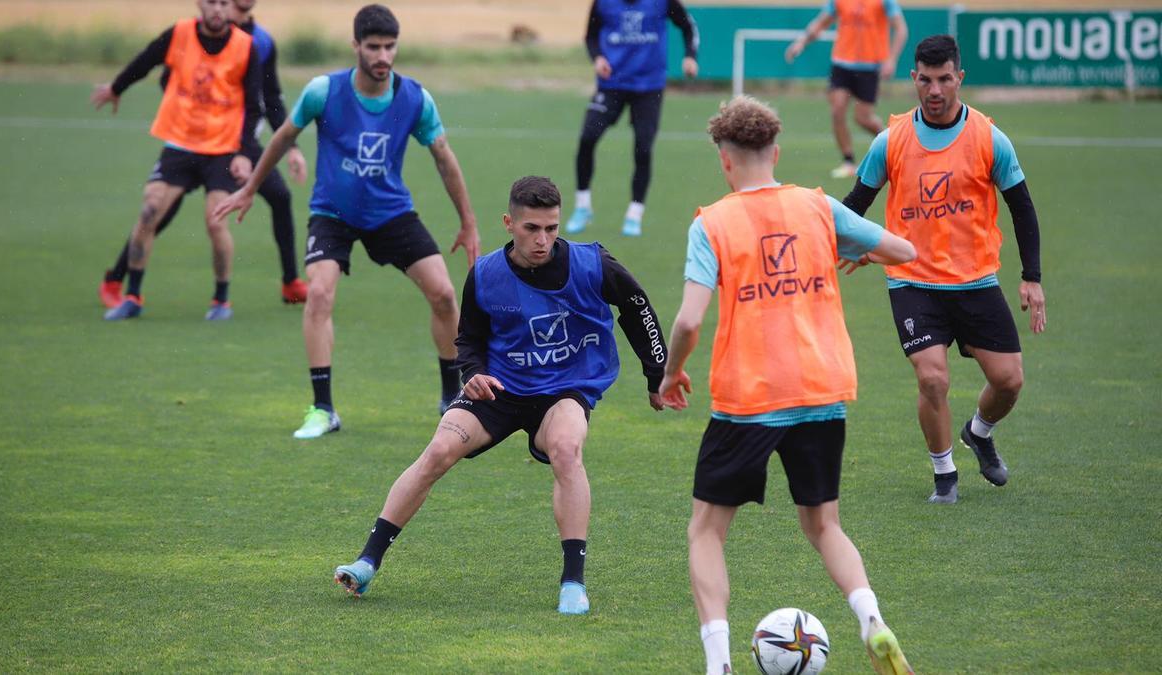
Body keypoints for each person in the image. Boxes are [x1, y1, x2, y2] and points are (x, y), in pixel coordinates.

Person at [659, 96, 916, 675]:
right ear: (775, 152)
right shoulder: (818, 206)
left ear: (724, 161)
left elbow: (689, 321)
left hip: (750, 398)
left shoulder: (712, 223)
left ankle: (719, 663)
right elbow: (903, 250)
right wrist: (856, 252)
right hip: (822, 388)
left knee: (707, 530)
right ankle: (872, 620)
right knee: (824, 523)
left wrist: (672, 372)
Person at [332, 176, 669, 616]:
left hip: (565, 390)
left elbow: (637, 306)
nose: (543, 240)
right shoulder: (487, 274)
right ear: (509, 223)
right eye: (531, 228)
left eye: (551, 228)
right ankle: (367, 561)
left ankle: (572, 583)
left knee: (567, 449)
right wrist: (471, 373)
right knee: (438, 450)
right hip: (503, 389)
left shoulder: (593, 264)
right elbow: (468, 338)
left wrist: (656, 373)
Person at [215, 4, 480, 437]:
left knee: (446, 295)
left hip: (391, 212)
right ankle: (323, 410)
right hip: (332, 214)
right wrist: (249, 188)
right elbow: (284, 137)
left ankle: (451, 398)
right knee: (318, 295)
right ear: (355, 45)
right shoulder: (325, 90)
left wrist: (467, 222)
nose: (382, 56)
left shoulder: (414, 98)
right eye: (373, 47)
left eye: (390, 47)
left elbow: (444, 160)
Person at [841, 34, 1046, 505]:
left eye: (945, 79)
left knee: (1009, 381)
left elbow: (1022, 208)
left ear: (960, 79)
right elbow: (853, 207)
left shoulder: (989, 138)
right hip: (913, 281)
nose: (935, 90)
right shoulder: (889, 141)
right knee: (932, 378)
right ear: (913, 78)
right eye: (926, 80)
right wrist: (852, 242)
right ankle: (944, 475)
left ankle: (979, 432)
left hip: (976, 279)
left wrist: (1031, 276)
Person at [98, 0, 310, 310]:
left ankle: (289, 283)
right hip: (192, 141)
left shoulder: (259, 42)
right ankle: (118, 280)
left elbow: (270, 98)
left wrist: (289, 148)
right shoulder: (190, 33)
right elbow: (164, 74)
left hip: (234, 143)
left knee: (277, 196)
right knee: (159, 211)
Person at [564, 0, 699, 237]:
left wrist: (690, 56)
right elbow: (590, 37)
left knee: (643, 148)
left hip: (649, 87)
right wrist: (597, 58)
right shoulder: (603, 3)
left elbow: (688, 26)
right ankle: (583, 206)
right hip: (611, 85)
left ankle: (634, 214)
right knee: (587, 138)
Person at [785, 0, 908, 179]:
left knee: (863, 118)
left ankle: (894, 145)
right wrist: (801, 42)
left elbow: (901, 29)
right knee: (837, 110)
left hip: (869, 66)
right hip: (841, 63)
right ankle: (849, 161)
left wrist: (892, 59)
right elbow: (821, 22)